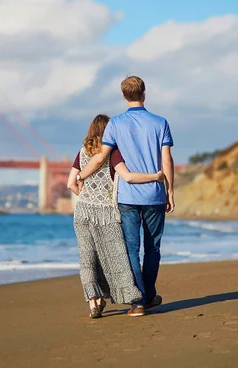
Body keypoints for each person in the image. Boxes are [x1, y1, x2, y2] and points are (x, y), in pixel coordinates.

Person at [77, 75, 175, 317]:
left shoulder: (116, 124)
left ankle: (138, 302)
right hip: (154, 195)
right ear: (144, 93)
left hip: (128, 198)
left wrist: (82, 175)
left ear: (124, 96)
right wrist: (170, 189)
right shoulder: (160, 122)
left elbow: (100, 157)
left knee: (131, 249)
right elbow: (166, 160)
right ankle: (150, 295)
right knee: (153, 248)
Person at [68, 114, 164, 318]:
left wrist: (86, 195)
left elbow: (71, 183)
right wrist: (155, 177)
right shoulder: (113, 153)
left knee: (87, 258)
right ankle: (135, 299)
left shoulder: (81, 153)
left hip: (83, 211)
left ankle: (94, 303)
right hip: (107, 213)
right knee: (115, 258)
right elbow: (128, 176)